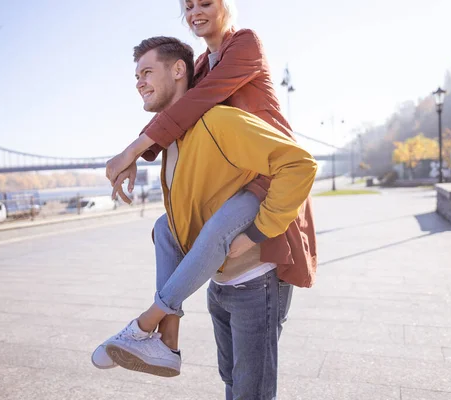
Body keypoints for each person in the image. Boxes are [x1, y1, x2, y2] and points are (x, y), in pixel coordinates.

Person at [94, 35, 317, 398]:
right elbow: (188, 216)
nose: (139, 82)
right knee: (233, 385)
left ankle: (147, 324)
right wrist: (138, 152)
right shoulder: (173, 143)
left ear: (179, 70)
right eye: (136, 76)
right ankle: (167, 339)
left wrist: (259, 230)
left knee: (251, 393)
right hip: (221, 287)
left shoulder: (219, 121)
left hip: (257, 284)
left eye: (147, 71)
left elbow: (300, 164)